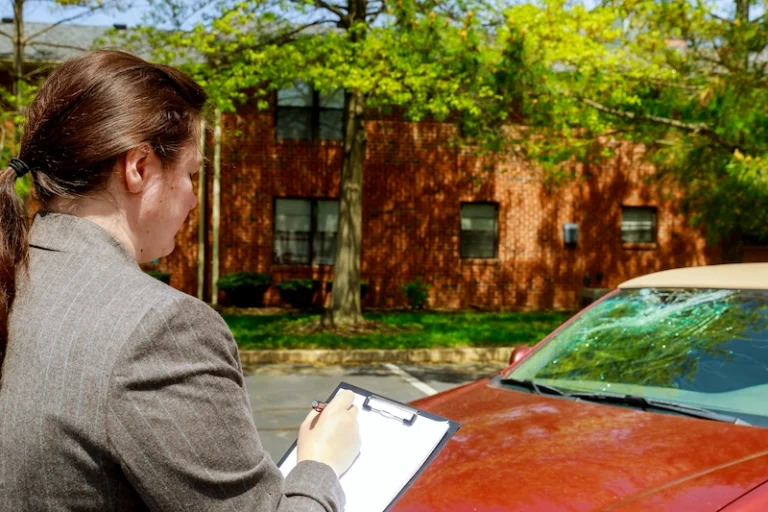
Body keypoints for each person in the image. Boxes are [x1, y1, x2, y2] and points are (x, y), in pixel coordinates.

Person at [0, 50, 361, 512]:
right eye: (191, 173)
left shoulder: (17, 274)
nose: (193, 198)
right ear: (139, 168)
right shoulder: (158, 331)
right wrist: (321, 464)